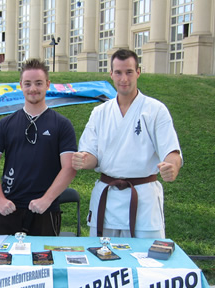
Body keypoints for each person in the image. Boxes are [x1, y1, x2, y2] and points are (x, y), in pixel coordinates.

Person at [72, 49, 182, 239]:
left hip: (143, 201)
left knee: (147, 263)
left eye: (129, 72)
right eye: (119, 72)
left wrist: (172, 167)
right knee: (102, 261)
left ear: (138, 72)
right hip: (107, 201)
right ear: (111, 74)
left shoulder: (155, 110)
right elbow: (91, 155)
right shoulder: (100, 112)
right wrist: (83, 160)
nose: (124, 78)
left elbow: (171, 152)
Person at [0, 59, 77, 236]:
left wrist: (47, 200)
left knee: (45, 262)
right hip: (9, 208)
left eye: (38, 83)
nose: (33, 88)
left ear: (48, 84)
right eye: (28, 84)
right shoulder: (5, 124)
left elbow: (69, 167)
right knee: (3, 261)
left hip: (45, 210)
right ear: (21, 86)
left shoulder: (62, 124)